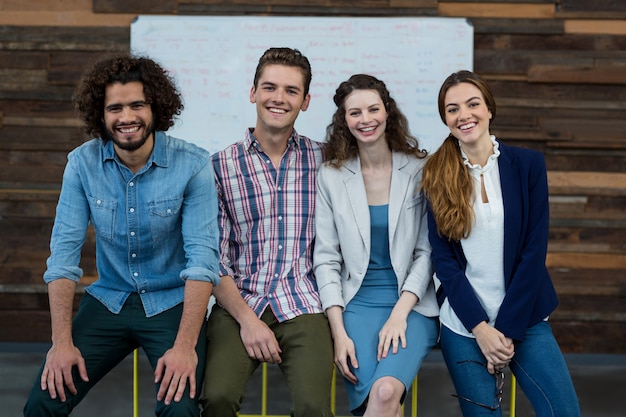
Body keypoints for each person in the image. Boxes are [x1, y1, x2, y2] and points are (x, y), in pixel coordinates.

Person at [23, 54, 220, 417]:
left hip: (170, 303)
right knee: (43, 403)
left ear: (156, 107)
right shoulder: (82, 164)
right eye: (115, 107)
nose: (126, 117)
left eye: (137, 105)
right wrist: (60, 343)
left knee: (180, 411)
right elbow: (63, 260)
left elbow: (203, 263)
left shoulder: (193, 165)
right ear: (100, 114)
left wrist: (184, 346)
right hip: (108, 301)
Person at [421, 70, 581, 417]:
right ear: (445, 119)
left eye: (472, 104)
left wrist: (505, 330)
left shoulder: (527, 165)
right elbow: (444, 261)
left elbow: (534, 251)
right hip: (464, 324)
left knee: (564, 412)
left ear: (489, 109)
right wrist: (481, 329)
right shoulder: (435, 173)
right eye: (452, 109)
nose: (464, 115)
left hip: (525, 316)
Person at [200, 47, 334, 417]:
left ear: (305, 101)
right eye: (270, 87)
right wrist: (248, 322)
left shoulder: (327, 162)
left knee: (313, 408)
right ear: (253, 92)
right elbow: (215, 258)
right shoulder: (219, 167)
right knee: (217, 399)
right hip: (239, 301)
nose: (279, 98)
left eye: (291, 91)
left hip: (305, 301)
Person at [313, 74, 440, 417]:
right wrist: (338, 332)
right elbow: (326, 258)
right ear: (344, 120)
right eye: (355, 113)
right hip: (355, 306)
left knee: (385, 392)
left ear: (388, 112)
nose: (365, 119)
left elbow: (427, 252)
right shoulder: (331, 176)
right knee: (382, 403)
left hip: (410, 305)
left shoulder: (418, 170)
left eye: (373, 109)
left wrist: (400, 314)